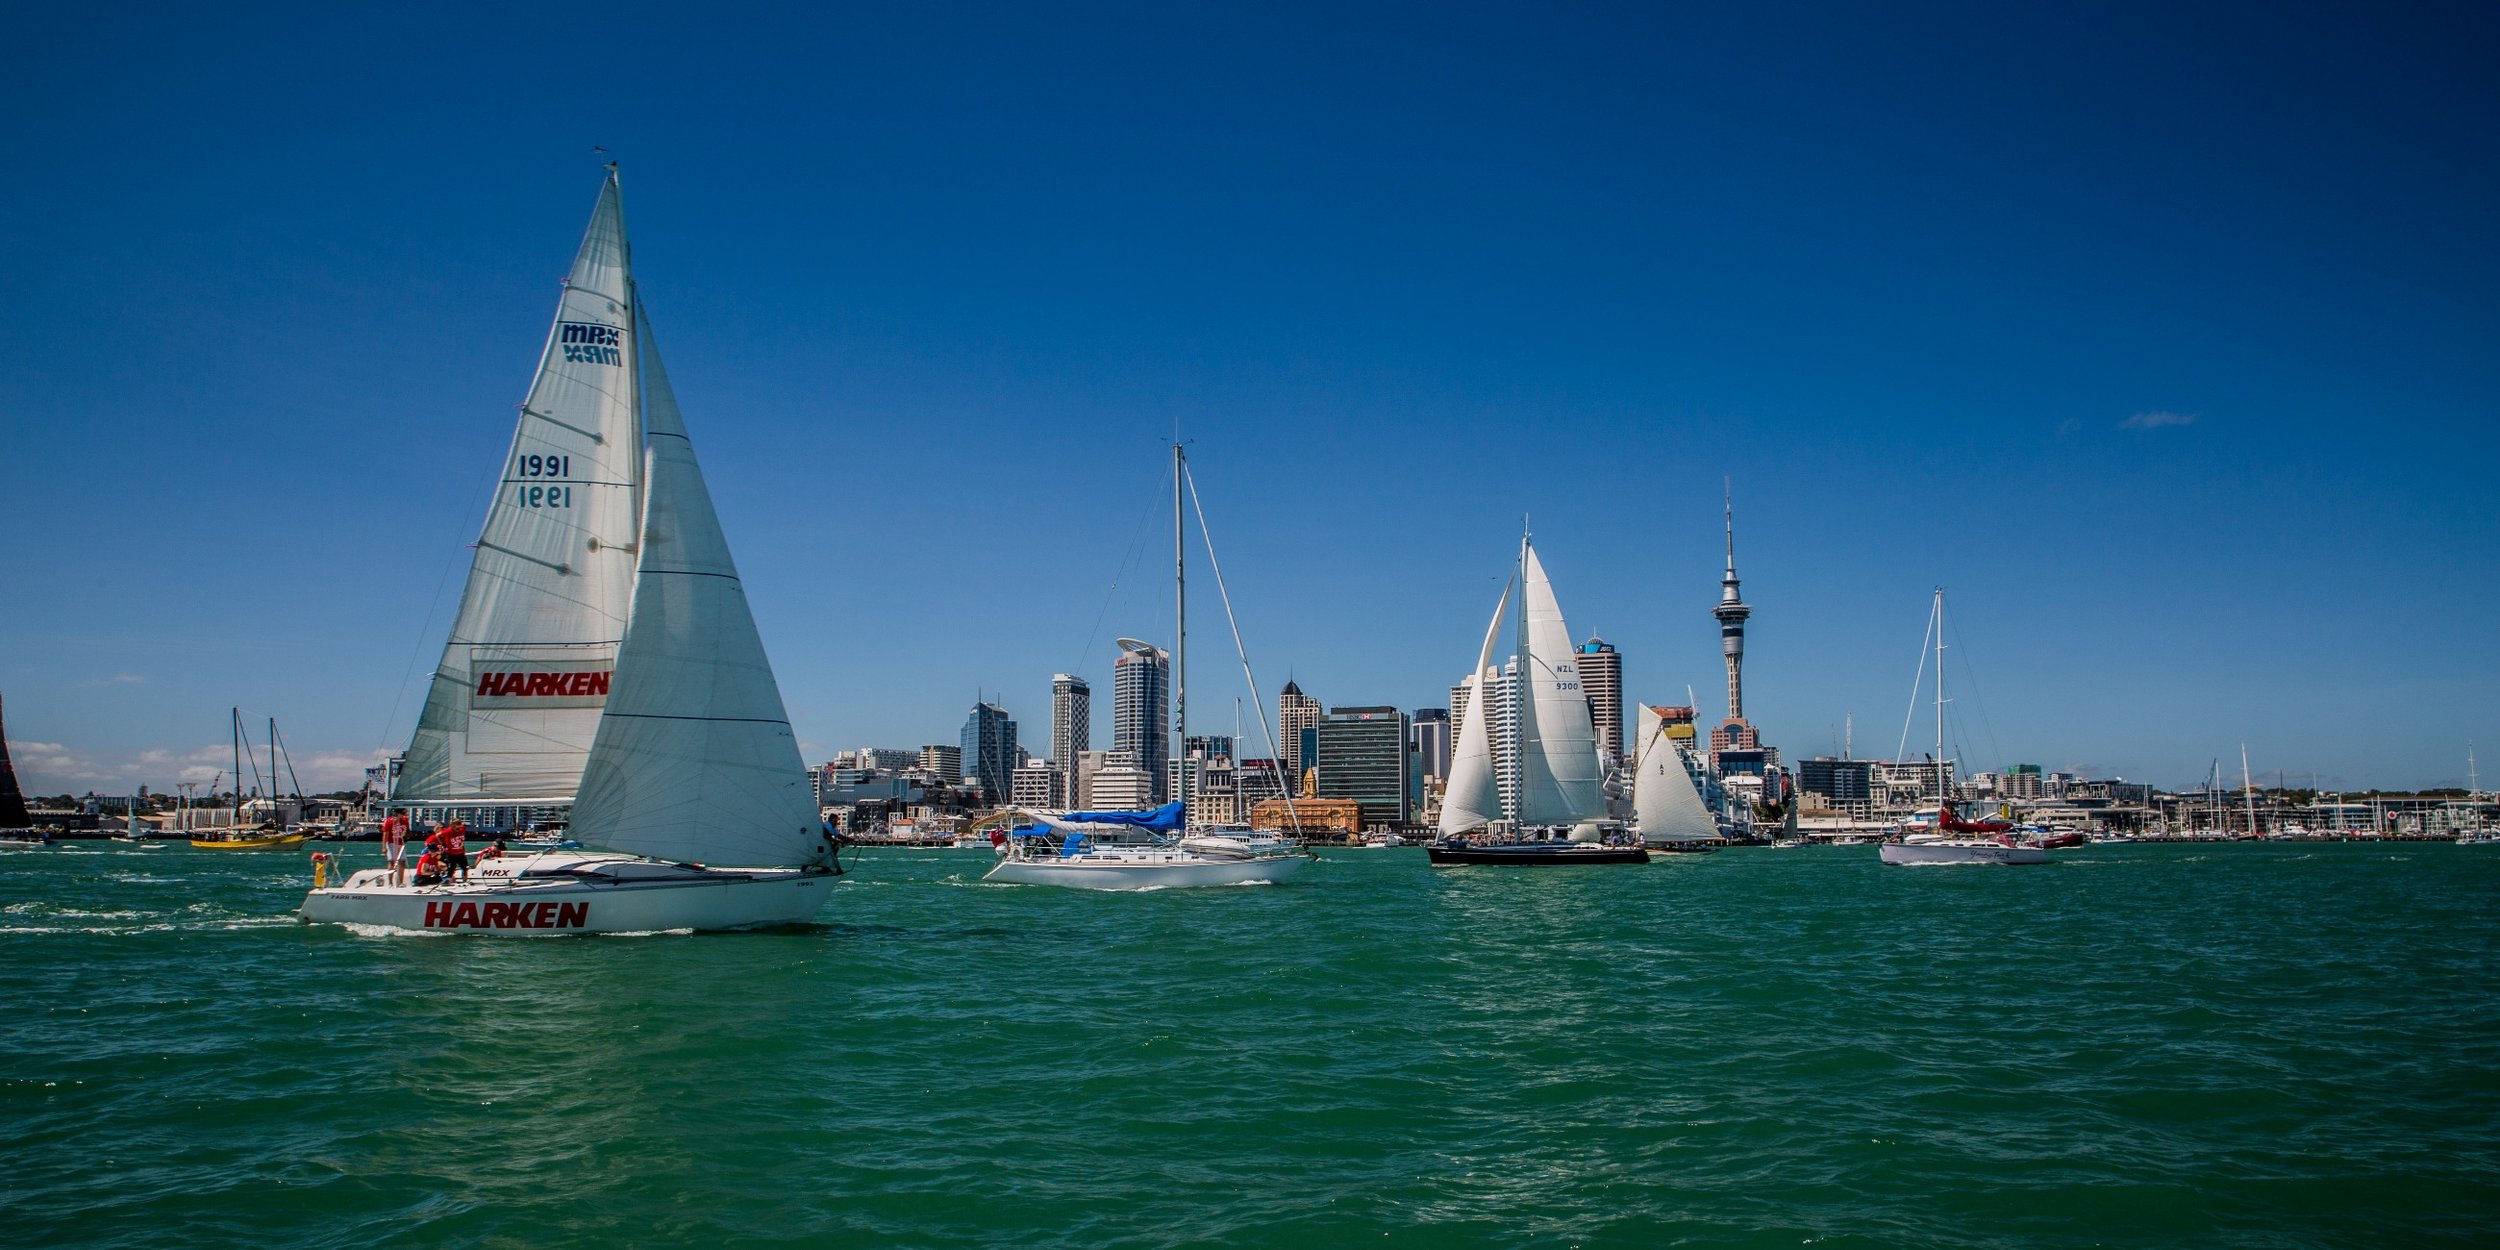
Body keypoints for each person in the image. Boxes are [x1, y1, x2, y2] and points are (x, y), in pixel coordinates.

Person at [380, 813, 408, 887]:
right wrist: (384, 847)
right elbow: (385, 834)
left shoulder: (405, 820)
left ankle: (400, 882)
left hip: (400, 843)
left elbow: (406, 831)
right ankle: (390, 882)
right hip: (391, 843)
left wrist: (405, 836)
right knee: (391, 861)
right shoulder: (389, 821)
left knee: (402, 861)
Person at [439, 818, 470, 883]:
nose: (458, 828)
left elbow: (463, 826)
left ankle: (465, 881)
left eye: (459, 826)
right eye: (457, 826)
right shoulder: (448, 831)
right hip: (451, 853)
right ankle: (448, 880)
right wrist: (443, 844)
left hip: (460, 852)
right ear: (453, 826)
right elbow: (438, 835)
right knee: (452, 868)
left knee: (465, 867)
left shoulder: (462, 829)